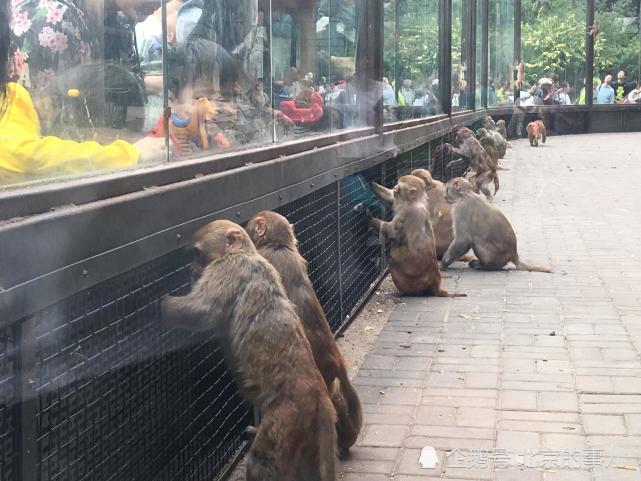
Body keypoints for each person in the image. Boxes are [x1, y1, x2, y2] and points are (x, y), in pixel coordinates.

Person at [0, 0, 165, 185]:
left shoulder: (115, 24)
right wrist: (128, 154)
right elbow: (23, 157)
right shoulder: (55, 18)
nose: (159, 3)